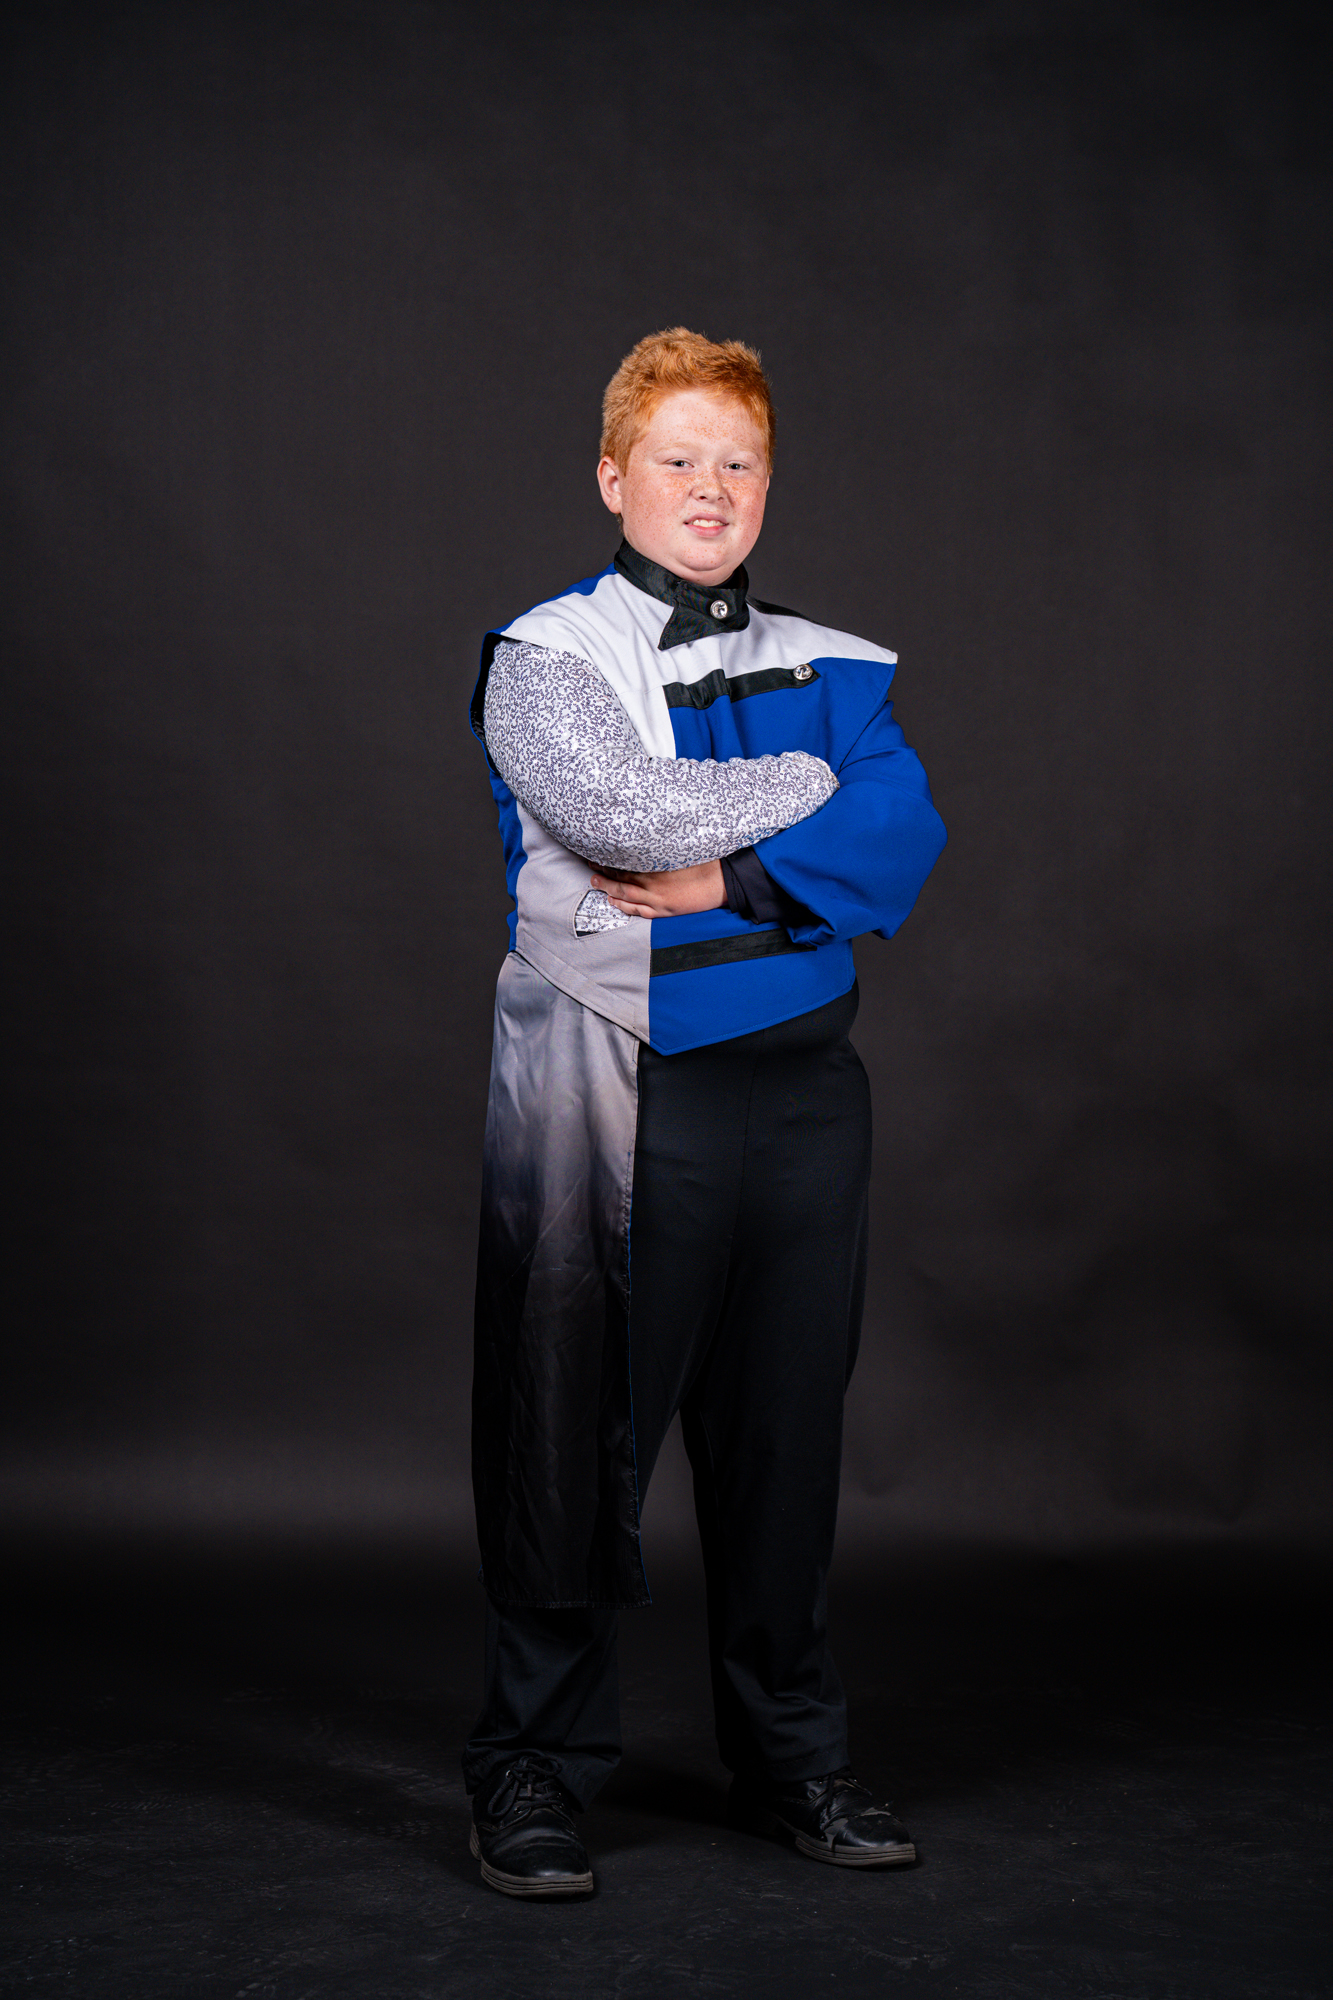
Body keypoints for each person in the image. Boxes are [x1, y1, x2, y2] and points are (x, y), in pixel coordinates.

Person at [464, 328, 946, 1898]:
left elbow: (906, 835)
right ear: (614, 478)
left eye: (738, 462)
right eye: (677, 458)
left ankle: (790, 1757)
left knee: (784, 1439)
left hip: (802, 1101)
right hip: (618, 1084)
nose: (711, 488)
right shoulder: (545, 657)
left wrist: (725, 877)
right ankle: (533, 1765)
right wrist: (807, 802)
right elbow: (614, 813)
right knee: (570, 1426)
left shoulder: (840, 661)